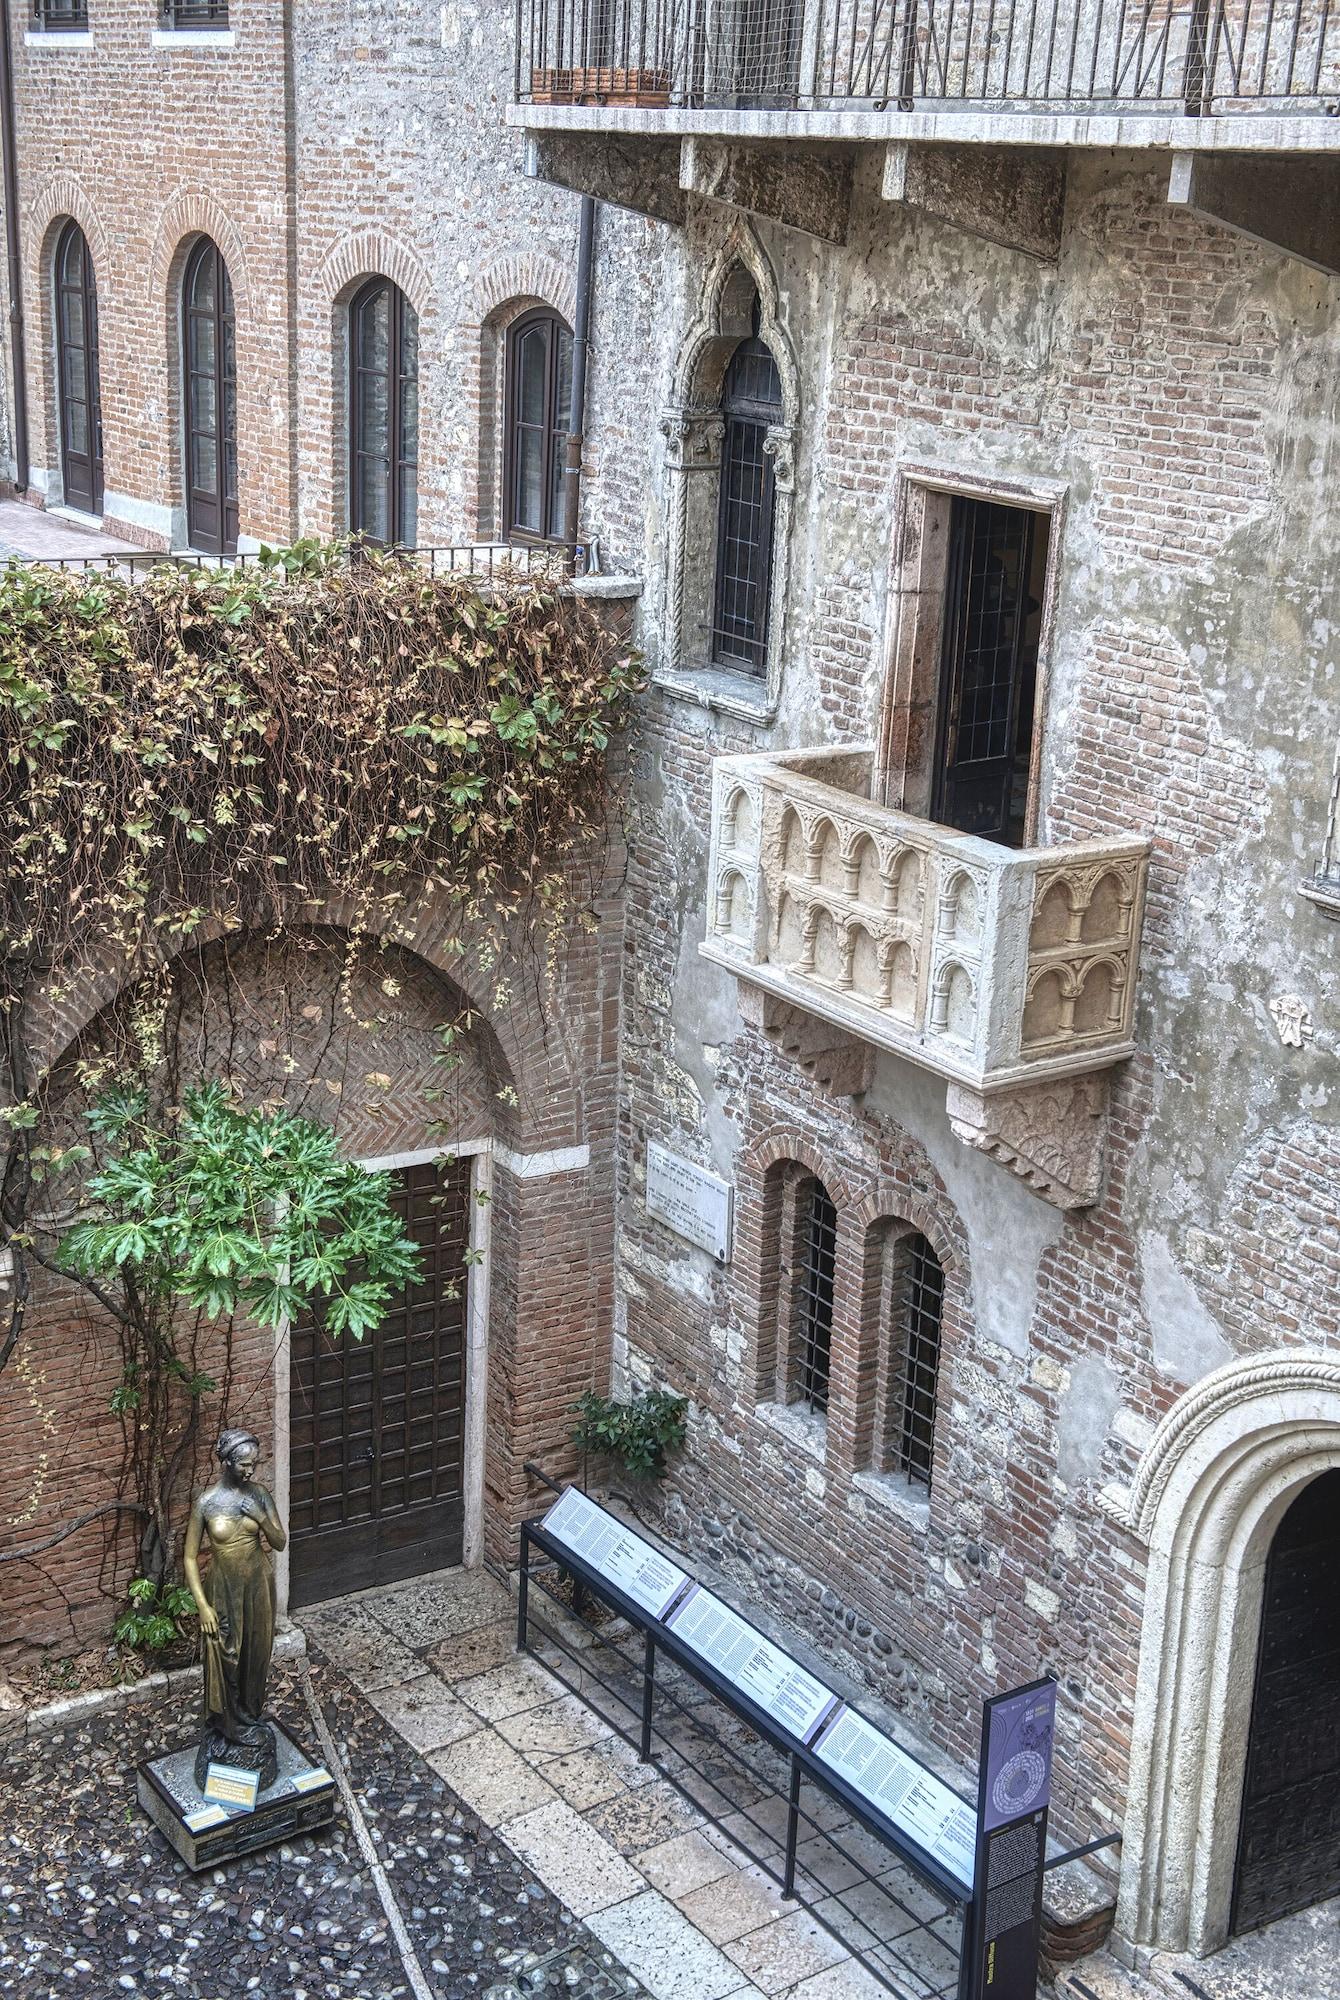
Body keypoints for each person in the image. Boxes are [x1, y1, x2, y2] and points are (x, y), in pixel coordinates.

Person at [183, 1428, 287, 1790]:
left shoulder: (259, 1495)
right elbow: (189, 1558)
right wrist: (202, 1607)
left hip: (257, 1585)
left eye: (253, 1464)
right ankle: (227, 1726)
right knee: (226, 1655)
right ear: (226, 1462)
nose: (249, 1471)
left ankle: (250, 1718)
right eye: (243, 1464)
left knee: (256, 1655)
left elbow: (280, 1542)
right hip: (223, 1590)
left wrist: (260, 1516)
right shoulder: (206, 1503)